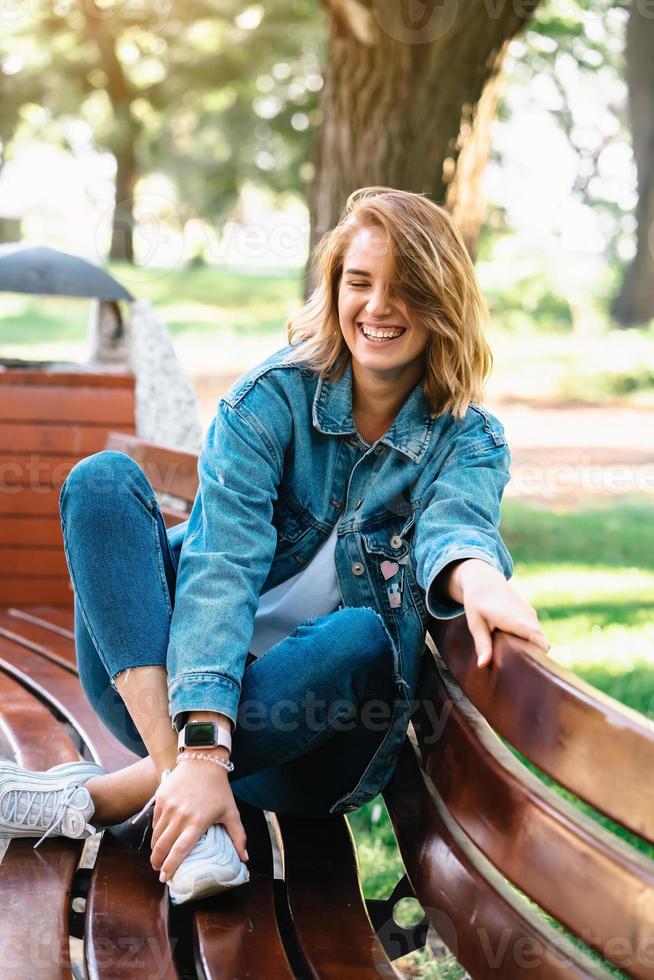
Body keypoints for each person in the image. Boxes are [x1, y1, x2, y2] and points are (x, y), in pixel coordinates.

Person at [0, 187, 548, 904]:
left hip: (317, 743)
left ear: (441, 299)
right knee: (101, 483)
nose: (378, 306)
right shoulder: (272, 399)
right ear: (334, 288)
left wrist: (476, 578)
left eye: (405, 286)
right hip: (166, 697)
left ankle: (103, 801)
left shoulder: (465, 438)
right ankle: (181, 788)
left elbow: (458, 525)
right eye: (360, 282)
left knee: (359, 635)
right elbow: (219, 564)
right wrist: (198, 749)